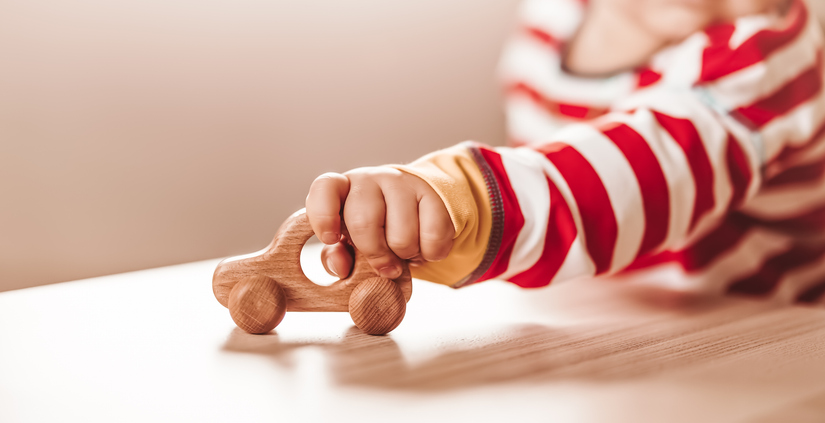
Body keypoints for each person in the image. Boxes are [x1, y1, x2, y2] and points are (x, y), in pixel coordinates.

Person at [305, 0, 825, 304]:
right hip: (596, 315)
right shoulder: (553, 18)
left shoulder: (768, 61)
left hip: (760, 335)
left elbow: (631, 178)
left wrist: (460, 202)